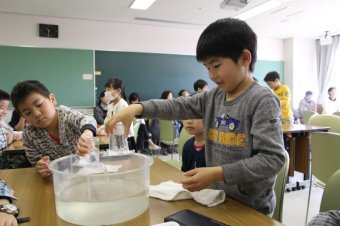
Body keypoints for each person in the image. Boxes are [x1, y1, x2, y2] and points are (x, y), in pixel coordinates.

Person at [102, 18, 285, 215]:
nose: (211, 75)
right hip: (218, 200)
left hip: (251, 208)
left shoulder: (262, 100)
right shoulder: (214, 96)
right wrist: (137, 108)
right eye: (207, 68)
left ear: (244, 58)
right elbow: (176, 106)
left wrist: (219, 173)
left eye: (216, 66)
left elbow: (272, 159)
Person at [10, 80, 97, 177]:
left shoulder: (66, 115)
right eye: (28, 113)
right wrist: (41, 166)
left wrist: (87, 133)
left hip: (87, 170)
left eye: (39, 105)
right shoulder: (29, 134)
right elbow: (35, 160)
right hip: (58, 178)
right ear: (23, 116)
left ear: (52, 99)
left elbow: (87, 119)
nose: (37, 114)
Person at [103, 77, 136, 151]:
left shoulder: (123, 105)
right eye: (106, 90)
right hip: (114, 140)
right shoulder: (111, 106)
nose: (106, 92)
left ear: (118, 91)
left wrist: (107, 125)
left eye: (108, 89)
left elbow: (118, 126)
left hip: (124, 141)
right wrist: (102, 128)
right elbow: (107, 121)